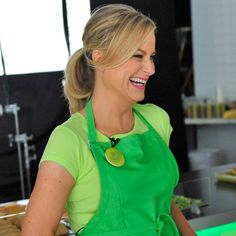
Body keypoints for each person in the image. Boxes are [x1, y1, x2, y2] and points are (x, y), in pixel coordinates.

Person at [22, 4, 196, 236]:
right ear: (100, 57)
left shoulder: (157, 120)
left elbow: (163, 203)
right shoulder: (71, 139)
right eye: (137, 56)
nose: (151, 68)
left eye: (151, 56)